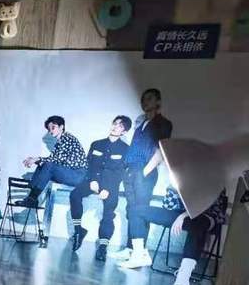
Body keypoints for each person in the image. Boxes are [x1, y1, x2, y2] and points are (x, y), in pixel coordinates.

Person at [119, 187, 227, 285]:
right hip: (179, 214)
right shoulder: (183, 177)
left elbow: (206, 206)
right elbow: (168, 206)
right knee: (136, 211)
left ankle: (184, 275)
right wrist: (174, 188)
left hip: (206, 217)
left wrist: (183, 216)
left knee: (198, 225)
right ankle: (139, 254)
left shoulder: (214, 179)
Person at [113, 88, 174, 262]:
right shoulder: (141, 125)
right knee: (131, 210)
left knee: (140, 210)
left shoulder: (164, 123)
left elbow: (161, 150)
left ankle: (139, 253)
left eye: (149, 98)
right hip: (130, 170)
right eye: (143, 99)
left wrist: (145, 172)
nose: (144, 102)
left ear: (158, 102)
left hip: (144, 171)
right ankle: (131, 249)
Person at [69, 115, 132, 261]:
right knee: (74, 195)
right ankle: (79, 230)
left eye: (120, 126)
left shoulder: (125, 149)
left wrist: (107, 189)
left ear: (124, 131)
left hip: (110, 186)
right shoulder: (97, 144)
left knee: (109, 212)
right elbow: (88, 165)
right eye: (115, 123)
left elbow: (120, 173)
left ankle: (103, 247)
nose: (115, 127)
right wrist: (93, 181)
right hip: (92, 182)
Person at [16, 115, 87, 207]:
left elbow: (57, 160)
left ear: (61, 127)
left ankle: (32, 198)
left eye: (53, 128)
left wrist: (37, 159)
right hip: (71, 173)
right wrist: (36, 160)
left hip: (78, 175)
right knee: (43, 165)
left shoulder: (67, 138)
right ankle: (32, 197)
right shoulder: (60, 142)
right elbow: (52, 160)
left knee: (48, 165)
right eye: (49, 129)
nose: (50, 131)